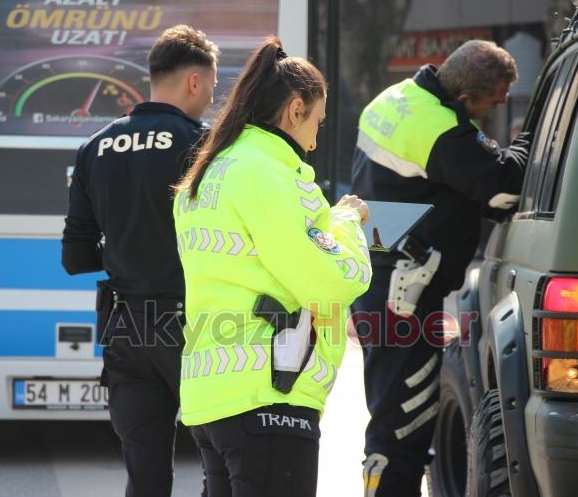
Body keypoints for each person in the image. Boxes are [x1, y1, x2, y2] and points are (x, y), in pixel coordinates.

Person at [173, 37, 372, 497]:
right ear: (295, 109)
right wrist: (345, 220)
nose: (316, 139)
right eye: (317, 122)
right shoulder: (268, 172)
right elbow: (332, 280)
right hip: (269, 391)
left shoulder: (211, 170)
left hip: (212, 395)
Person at [350, 39, 529, 496]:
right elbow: (502, 188)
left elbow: (445, 187)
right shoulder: (441, 129)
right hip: (404, 295)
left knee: (392, 414)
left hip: (381, 279)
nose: (495, 110)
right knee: (406, 419)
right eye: (493, 102)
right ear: (465, 98)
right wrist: (531, 139)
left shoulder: (395, 99)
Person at [61, 25, 219, 497]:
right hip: (198, 326)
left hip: (126, 328)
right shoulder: (206, 146)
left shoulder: (95, 147)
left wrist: (129, 247)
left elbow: (75, 258)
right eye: (211, 85)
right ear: (193, 81)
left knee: (145, 477)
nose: (212, 97)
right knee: (220, 465)